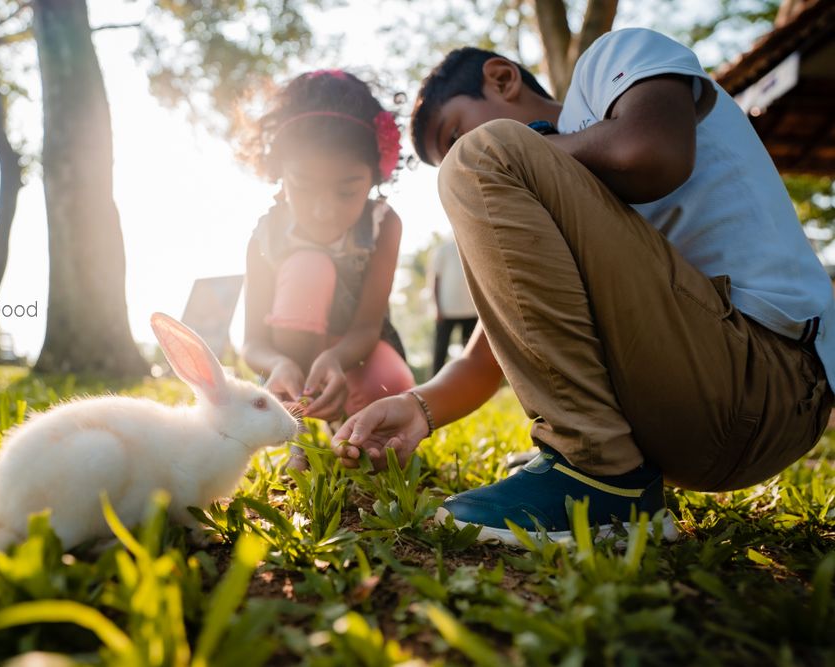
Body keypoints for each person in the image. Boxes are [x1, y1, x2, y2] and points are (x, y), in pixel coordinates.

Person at [333, 29, 835, 546]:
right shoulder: (554, 192)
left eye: (455, 131)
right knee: (487, 159)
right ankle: (603, 467)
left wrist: (513, 152)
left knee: (483, 157)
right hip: (698, 417)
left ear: (502, 78)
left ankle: (600, 474)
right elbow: (486, 358)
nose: (459, 156)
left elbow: (653, 151)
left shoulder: (612, 61)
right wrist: (418, 408)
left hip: (771, 376)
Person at [239, 69, 415, 470]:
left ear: (375, 177)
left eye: (346, 190)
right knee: (307, 268)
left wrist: (335, 359)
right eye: (303, 185)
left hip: (357, 355)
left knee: (392, 388)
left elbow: (368, 326)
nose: (323, 210)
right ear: (281, 175)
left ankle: (351, 433)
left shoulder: (383, 225)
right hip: (289, 362)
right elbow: (252, 343)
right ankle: (297, 432)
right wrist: (280, 365)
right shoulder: (264, 236)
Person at [429, 236, 478, 374]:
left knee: (470, 353)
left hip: (471, 311)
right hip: (446, 311)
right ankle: (433, 383)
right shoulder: (443, 250)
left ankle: (470, 383)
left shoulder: (473, 247)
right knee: (440, 351)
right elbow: (435, 280)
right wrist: (437, 308)